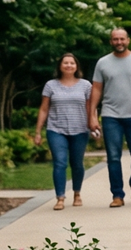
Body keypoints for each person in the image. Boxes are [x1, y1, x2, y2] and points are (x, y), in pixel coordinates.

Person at [87, 27, 131, 208]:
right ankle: (117, 194)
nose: (119, 42)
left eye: (122, 39)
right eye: (115, 39)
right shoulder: (103, 63)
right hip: (111, 116)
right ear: (111, 41)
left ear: (128, 40)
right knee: (113, 157)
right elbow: (96, 89)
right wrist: (92, 115)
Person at [34, 52, 91, 209]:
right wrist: (38, 131)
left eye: (72, 63)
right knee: (59, 162)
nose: (69, 65)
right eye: (65, 63)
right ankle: (60, 197)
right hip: (56, 129)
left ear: (76, 66)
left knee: (77, 164)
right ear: (60, 66)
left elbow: (90, 108)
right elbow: (44, 109)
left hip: (80, 129)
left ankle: (77, 193)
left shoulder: (86, 85)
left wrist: (94, 125)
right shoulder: (51, 85)